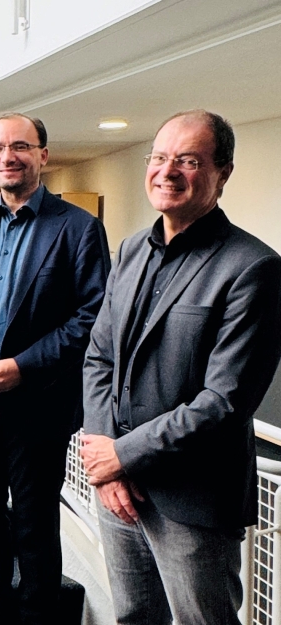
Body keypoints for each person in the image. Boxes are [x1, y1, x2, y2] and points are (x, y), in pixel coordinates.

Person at [81, 110, 281, 625]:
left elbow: (225, 401)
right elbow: (99, 356)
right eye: (161, 157)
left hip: (192, 498)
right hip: (119, 493)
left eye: (189, 160)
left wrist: (120, 455)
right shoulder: (129, 251)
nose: (168, 171)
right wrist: (108, 466)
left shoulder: (251, 268)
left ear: (222, 172)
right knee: (132, 618)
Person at [0, 113, 110, 624]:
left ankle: (38, 617)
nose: (7, 157)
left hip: (38, 404)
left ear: (43, 155)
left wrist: (21, 367)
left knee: (34, 524)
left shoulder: (78, 228)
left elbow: (92, 316)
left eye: (20, 147)